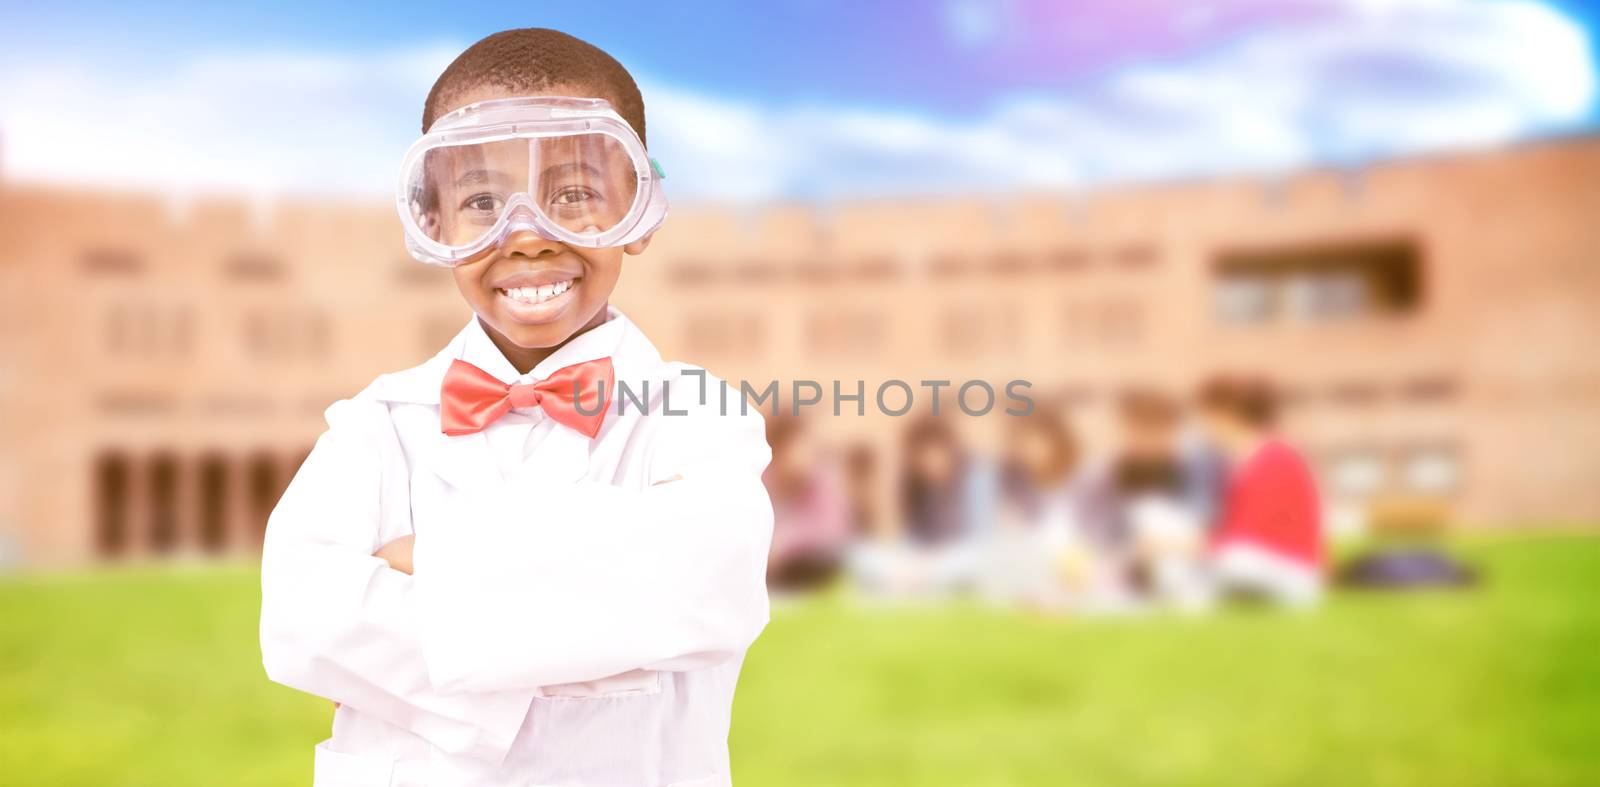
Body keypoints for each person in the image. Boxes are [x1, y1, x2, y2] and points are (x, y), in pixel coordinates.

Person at [258, 29, 773, 787]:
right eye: (481, 200)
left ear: (643, 211)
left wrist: (426, 559)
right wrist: (594, 630)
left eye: (573, 193)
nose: (527, 233)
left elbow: (710, 582)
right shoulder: (374, 425)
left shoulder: (703, 415)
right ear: (432, 223)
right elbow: (302, 620)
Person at [1197, 374, 1325, 606]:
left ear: (1227, 414)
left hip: (1289, 573)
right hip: (1257, 564)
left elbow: (1247, 535)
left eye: (1208, 415)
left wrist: (1183, 546)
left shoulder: (1275, 458)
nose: (1205, 425)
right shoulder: (1234, 462)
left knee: (1234, 560)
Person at [763, 415, 851, 591]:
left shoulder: (821, 481)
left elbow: (832, 530)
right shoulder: (762, 480)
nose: (807, 455)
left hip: (807, 568)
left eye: (811, 448)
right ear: (779, 448)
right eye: (799, 447)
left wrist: (785, 542)